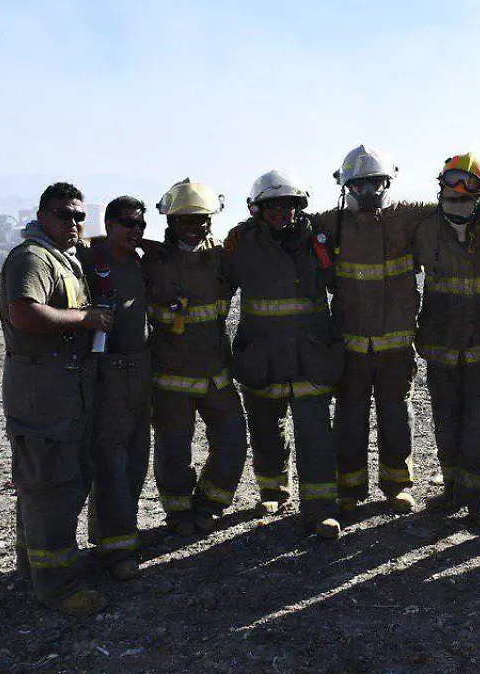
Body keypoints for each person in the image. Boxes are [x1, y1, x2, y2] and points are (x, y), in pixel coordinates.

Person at [0, 182, 113, 615]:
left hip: (61, 391)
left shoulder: (62, 256)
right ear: (42, 216)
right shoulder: (31, 257)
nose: (74, 223)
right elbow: (25, 312)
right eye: (64, 215)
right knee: (53, 488)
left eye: (80, 216)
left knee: (43, 484)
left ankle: (33, 570)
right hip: (42, 395)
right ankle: (59, 587)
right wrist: (86, 319)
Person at [227, 170, 344, 539]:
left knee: (315, 434)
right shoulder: (242, 245)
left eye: (288, 206)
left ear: (299, 207)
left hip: (310, 354)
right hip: (262, 354)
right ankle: (273, 491)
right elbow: (213, 282)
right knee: (266, 430)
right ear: (258, 211)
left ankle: (321, 509)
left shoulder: (319, 240)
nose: (282, 213)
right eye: (272, 207)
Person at [318, 145, 424, 516]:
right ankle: (348, 490)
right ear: (346, 186)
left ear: (387, 182)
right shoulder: (331, 223)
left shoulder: (408, 217)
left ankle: (397, 486)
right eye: (359, 185)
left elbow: (456, 209)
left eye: (375, 183)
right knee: (349, 418)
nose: (368, 192)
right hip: (351, 346)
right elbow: (284, 224)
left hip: (396, 346)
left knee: (396, 417)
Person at [143, 178, 247, 536]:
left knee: (233, 441)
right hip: (170, 377)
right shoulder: (151, 262)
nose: (195, 228)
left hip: (216, 375)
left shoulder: (222, 257)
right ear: (170, 222)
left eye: (201, 220)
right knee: (173, 451)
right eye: (186, 221)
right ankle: (177, 513)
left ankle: (210, 503)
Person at [413, 153, 480, 529]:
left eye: (467, 192)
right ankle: (452, 488)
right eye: (450, 190)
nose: (457, 198)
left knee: (477, 429)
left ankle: (478, 499)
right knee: (446, 424)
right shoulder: (424, 229)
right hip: (441, 350)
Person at [81, 196, 152, 580]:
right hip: (110, 372)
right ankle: (117, 547)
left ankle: (112, 533)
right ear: (108, 224)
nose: (135, 231)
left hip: (141, 368)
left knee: (137, 457)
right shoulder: (91, 261)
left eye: (140, 225)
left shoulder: (141, 261)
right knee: (112, 460)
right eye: (127, 224)